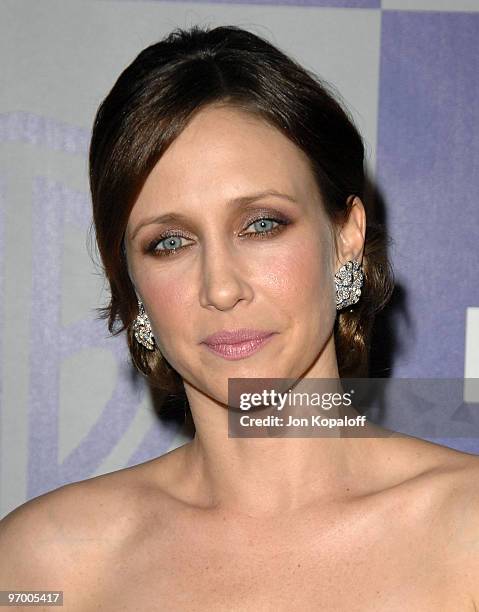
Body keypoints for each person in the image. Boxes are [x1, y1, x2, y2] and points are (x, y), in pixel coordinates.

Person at [1, 24, 479, 611]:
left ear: (346, 235)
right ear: (129, 280)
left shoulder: (467, 534)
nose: (221, 288)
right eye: (170, 242)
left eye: (261, 225)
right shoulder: (45, 566)